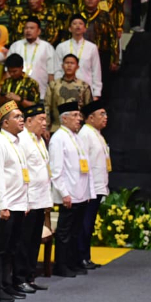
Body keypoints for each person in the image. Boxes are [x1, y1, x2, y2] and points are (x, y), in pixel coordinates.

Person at [0, 102, 30, 301]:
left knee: (13, 247)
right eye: (17, 117)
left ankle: (8, 283)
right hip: (7, 206)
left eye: (22, 116)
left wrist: (26, 202)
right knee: (0, 248)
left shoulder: (18, 142)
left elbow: (22, 175)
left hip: (19, 203)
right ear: (5, 122)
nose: (22, 120)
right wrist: (2, 206)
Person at [49, 101, 94, 276]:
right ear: (64, 118)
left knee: (75, 231)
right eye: (75, 115)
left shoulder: (76, 137)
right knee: (64, 232)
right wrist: (64, 193)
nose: (79, 119)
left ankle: (73, 261)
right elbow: (56, 170)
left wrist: (88, 191)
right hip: (69, 194)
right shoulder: (58, 138)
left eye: (79, 115)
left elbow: (86, 167)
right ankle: (61, 265)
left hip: (81, 193)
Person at [15, 104, 51, 291]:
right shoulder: (22, 140)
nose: (44, 123)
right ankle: (20, 277)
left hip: (40, 198)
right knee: (24, 240)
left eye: (45, 119)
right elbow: (22, 173)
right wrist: (26, 200)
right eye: (41, 119)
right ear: (29, 121)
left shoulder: (39, 139)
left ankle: (30, 275)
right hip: (28, 199)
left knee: (34, 240)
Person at [77, 99, 109, 270]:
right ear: (90, 118)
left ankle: (86, 256)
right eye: (101, 114)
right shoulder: (85, 134)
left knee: (89, 224)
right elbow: (83, 164)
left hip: (98, 186)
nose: (105, 117)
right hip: (89, 188)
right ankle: (80, 256)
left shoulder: (97, 134)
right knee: (85, 223)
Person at [7, 17, 55, 100]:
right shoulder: (16, 46)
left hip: (41, 93)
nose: (28, 30)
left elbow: (51, 73)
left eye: (32, 28)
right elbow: (8, 71)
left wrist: (52, 93)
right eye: (26, 28)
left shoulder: (47, 47)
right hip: (16, 94)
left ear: (39, 31)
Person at [54, 15, 102, 98]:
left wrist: (96, 93)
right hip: (65, 90)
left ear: (85, 29)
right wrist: (58, 88)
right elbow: (57, 70)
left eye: (80, 23)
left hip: (86, 90)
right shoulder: (61, 47)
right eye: (74, 23)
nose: (77, 26)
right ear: (70, 28)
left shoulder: (92, 47)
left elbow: (96, 71)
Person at [45, 53, 92, 132]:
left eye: (72, 63)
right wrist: (46, 127)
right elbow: (47, 106)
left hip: (78, 129)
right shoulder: (54, 85)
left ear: (77, 67)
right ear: (62, 66)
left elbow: (89, 109)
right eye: (67, 63)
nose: (69, 66)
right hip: (57, 127)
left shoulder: (84, 86)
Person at [80, 0, 119, 80]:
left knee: (102, 82)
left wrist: (115, 59)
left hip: (102, 53)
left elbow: (113, 37)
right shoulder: (77, 15)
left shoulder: (105, 16)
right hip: (81, 53)